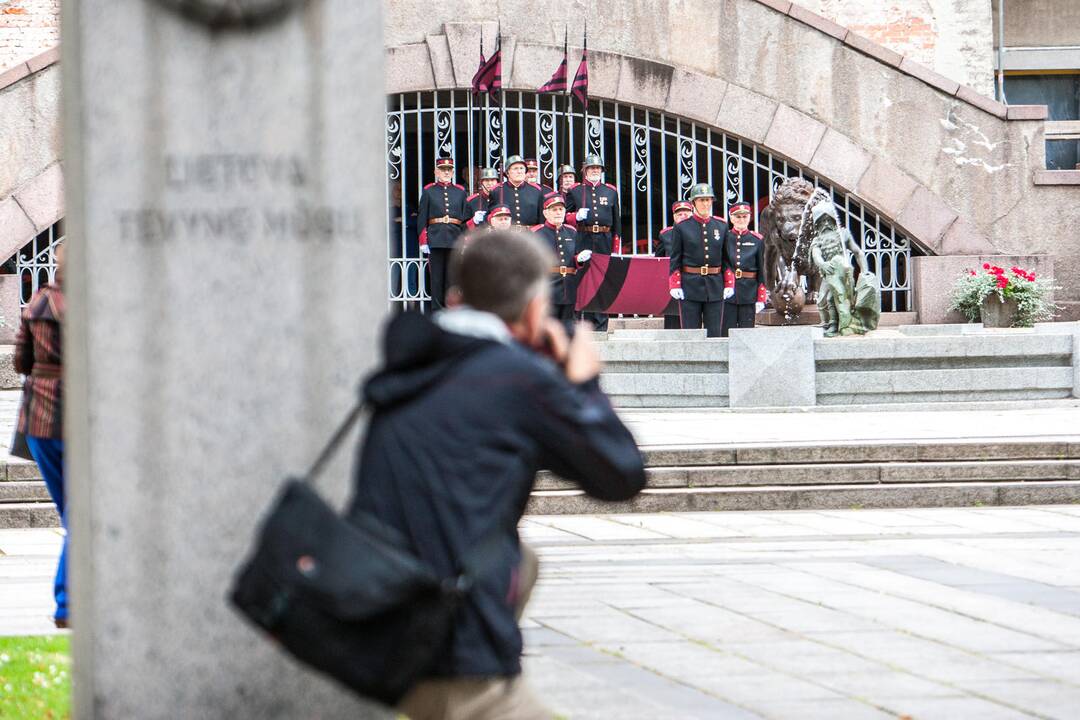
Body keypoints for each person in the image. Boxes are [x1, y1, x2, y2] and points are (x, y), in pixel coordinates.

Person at [348, 230, 645, 720]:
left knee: (522, 561)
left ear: (454, 298)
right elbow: (621, 473)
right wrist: (584, 384)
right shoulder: (517, 380)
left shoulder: (415, 361)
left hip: (378, 616)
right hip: (452, 654)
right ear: (532, 312)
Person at [15, 242, 67, 628]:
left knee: (73, 513)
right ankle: (67, 604)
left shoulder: (34, 305)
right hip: (73, 417)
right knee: (80, 516)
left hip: (37, 421)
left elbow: (21, 362)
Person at [564, 155, 621, 331]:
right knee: (582, 281)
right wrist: (576, 217)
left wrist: (616, 246)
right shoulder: (575, 191)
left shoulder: (611, 191)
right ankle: (580, 322)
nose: (595, 170)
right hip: (583, 238)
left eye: (598, 168)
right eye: (591, 168)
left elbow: (616, 220)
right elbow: (563, 217)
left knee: (601, 282)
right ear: (585, 171)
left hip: (604, 239)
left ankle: (601, 324)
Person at [667, 183, 729, 338]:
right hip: (690, 285)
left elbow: (727, 258)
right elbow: (675, 258)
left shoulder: (721, 226)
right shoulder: (682, 227)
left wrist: (729, 282)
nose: (705, 204)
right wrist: (675, 284)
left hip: (715, 285)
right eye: (701, 200)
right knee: (691, 333)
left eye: (708, 200)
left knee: (715, 333)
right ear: (693, 203)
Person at [531, 194, 591, 327]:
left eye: (561, 210)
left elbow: (574, 257)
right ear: (545, 213)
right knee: (547, 328)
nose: (558, 213)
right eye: (554, 210)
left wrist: (579, 259)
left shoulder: (572, 232)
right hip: (548, 287)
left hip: (568, 287)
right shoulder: (536, 233)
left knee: (569, 328)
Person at [418, 157, 469, 310]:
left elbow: (465, 218)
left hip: (454, 237)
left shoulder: (460, 192)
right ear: (436, 171)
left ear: (453, 172)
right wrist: (423, 240)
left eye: (449, 170)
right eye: (442, 169)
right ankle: (437, 310)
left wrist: (465, 239)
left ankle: (451, 309)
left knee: (452, 279)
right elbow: (422, 217)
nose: (446, 172)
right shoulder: (429, 191)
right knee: (437, 279)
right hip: (436, 237)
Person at [721, 201, 768, 337]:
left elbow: (762, 269)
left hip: (749, 292)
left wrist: (761, 297)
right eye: (738, 216)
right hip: (728, 292)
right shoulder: (726, 238)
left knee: (747, 334)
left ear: (749, 218)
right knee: (726, 332)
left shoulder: (757, 240)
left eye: (744, 216)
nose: (741, 219)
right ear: (731, 218)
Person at [654, 200, 693, 329]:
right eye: (679, 213)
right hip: (674, 280)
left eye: (686, 213)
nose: (683, 216)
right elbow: (659, 260)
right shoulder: (666, 234)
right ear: (674, 216)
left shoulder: (700, 231)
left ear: (692, 214)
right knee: (672, 319)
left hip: (694, 279)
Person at [488, 155, 545, 228]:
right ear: (507, 173)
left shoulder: (536, 191)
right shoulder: (497, 191)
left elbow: (541, 218)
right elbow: (490, 215)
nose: (519, 171)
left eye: (521, 168)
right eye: (515, 169)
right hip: (507, 234)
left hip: (531, 235)